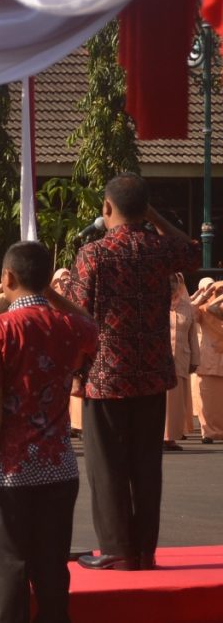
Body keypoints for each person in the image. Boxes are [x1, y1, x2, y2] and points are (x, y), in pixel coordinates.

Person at [64, 173, 200, 571]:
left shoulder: (94, 254)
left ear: (107, 209)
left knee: (106, 466)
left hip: (106, 377)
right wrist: (152, 216)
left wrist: (73, 373)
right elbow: (193, 251)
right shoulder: (160, 250)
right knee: (146, 466)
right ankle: (143, 549)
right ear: (145, 210)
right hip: (153, 375)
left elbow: (77, 316)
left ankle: (116, 548)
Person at [0, 241, 98, 623]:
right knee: (51, 572)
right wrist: (50, 294)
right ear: (46, 281)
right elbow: (93, 326)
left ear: (7, 277)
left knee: (8, 568)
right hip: (59, 469)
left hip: (10, 474)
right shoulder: (71, 327)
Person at [164, 274, 198, 451]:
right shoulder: (154, 305)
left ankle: (170, 439)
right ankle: (155, 437)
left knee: (176, 402)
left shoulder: (188, 307)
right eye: (168, 281)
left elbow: (192, 335)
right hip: (159, 360)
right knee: (160, 399)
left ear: (180, 284)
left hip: (181, 359)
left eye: (174, 281)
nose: (171, 285)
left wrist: (195, 359)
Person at [193, 281, 223, 444]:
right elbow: (189, 312)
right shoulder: (203, 310)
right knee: (208, 400)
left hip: (218, 359)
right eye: (216, 291)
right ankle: (209, 432)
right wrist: (202, 295)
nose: (217, 293)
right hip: (208, 360)